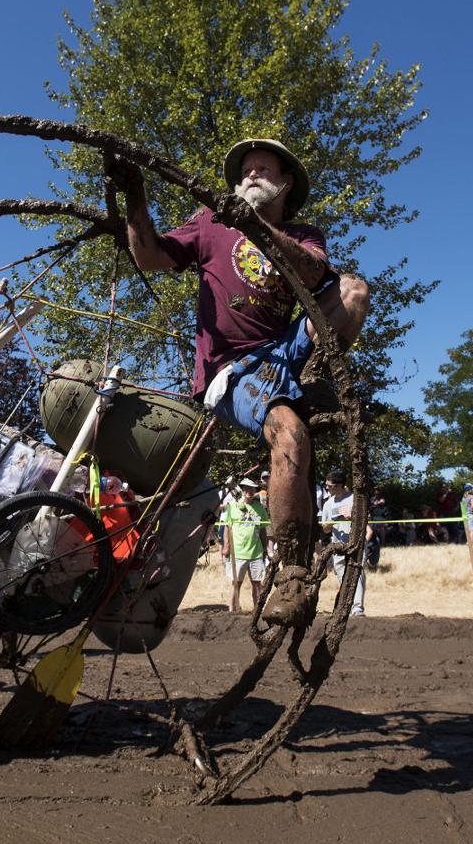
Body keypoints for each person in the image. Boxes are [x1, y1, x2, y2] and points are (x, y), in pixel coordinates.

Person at [109, 137, 369, 626]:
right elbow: (148, 256)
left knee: (353, 290)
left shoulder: (303, 234)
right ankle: (291, 573)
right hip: (234, 368)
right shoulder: (211, 223)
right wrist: (135, 197)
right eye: (246, 170)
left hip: (285, 351)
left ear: (285, 184)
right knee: (290, 435)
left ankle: (313, 377)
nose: (250, 175)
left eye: (263, 169)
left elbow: (314, 272)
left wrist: (257, 228)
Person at [319, 469, 369, 615]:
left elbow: (366, 520)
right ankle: (349, 606)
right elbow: (325, 529)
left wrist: (352, 517)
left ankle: (358, 608)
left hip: (356, 544)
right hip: (338, 546)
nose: (327, 488)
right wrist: (334, 521)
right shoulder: (328, 504)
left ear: (339, 485)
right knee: (344, 578)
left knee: (357, 574)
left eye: (329, 486)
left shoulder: (355, 500)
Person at [220, 477, 270, 613]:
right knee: (236, 583)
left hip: (256, 553)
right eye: (247, 488)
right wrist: (226, 546)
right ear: (242, 489)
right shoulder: (232, 506)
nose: (249, 491)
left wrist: (265, 549)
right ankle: (232, 610)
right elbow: (227, 528)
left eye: (252, 488)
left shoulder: (259, 508)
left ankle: (258, 611)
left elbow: (263, 530)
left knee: (257, 584)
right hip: (238, 552)